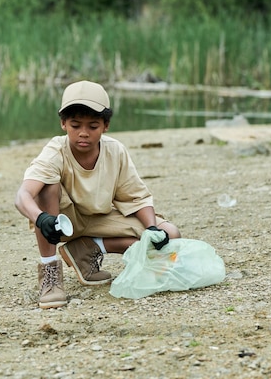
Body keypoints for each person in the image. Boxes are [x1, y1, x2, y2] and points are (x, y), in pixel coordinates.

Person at [15, 80, 181, 309]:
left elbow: (137, 198)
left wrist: (152, 228)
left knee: (169, 234)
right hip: (61, 222)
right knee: (46, 185)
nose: (83, 133)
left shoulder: (115, 151)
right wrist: (41, 218)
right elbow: (23, 195)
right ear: (63, 124)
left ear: (106, 126)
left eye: (93, 126)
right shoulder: (55, 151)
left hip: (99, 218)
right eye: (75, 126)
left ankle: (89, 249)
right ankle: (50, 273)